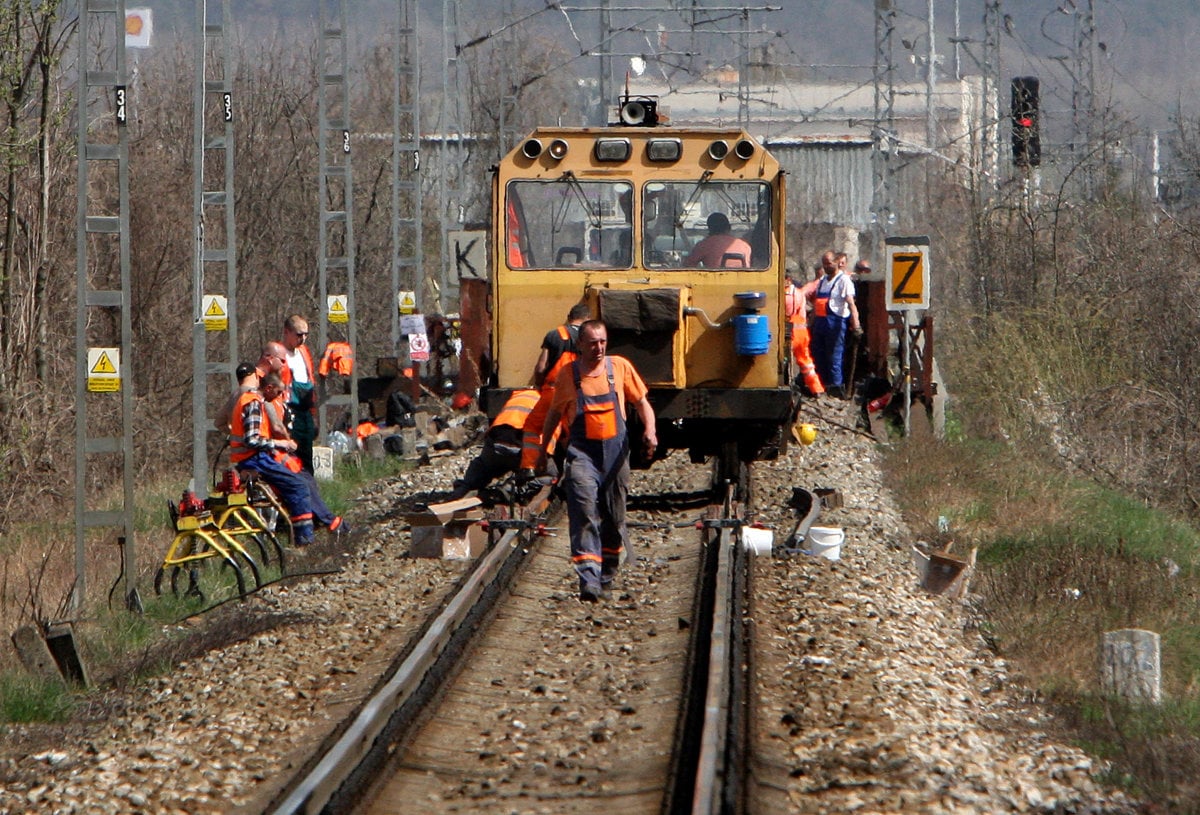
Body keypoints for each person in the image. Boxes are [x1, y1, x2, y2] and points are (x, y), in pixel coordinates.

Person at [538, 320, 657, 602]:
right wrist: (544, 450)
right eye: (592, 343)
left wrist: (650, 431)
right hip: (582, 454)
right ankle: (588, 578)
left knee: (614, 516)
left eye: (602, 342)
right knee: (583, 510)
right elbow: (554, 414)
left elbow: (642, 403)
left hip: (616, 455)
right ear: (580, 345)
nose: (599, 348)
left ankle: (607, 573)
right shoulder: (569, 375)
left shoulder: (620, 368)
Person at [230, 371, 347, 545]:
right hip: (253, 459)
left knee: (301, 476)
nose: (280, 396)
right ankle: (304, 539)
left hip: (256, 456)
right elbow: (252, 439)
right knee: (298, 486)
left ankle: (322, 523)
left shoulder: (252, 400)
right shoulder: (253, 404)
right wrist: (280, 444)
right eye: (278, 392)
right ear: (269, 388)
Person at [449, 388, 541, 499]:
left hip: (496, 437)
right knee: (547, 475)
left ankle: (465, 487)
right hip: (521, 445)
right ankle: (506, 491)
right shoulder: (550, 400)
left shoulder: (522, 394)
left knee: (485, 465)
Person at [809, 250, 861, 399]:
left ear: (837, 262)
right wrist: (809, 326)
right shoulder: (822, 282)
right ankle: (822, 385)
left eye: (829, 263)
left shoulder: (843, 281)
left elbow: (851, 304)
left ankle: (836, 388)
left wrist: (856, 326)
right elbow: (815, 306)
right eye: (824, 263)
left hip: (835, 324)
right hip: (820, 324)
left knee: (834, 357)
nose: (826, 266)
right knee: (819, 355)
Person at [280, 314, 319, 473]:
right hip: (288, 412)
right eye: (299, 334)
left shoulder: (303, 352)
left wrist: (313, 414)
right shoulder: (278, 354)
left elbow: (310, 380)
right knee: (292, 457)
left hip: (305, 411)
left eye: (305, 334)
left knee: (307, 455)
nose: (303, 338)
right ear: (287, 332)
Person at [784, 261, 824, 398]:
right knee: (806, 363)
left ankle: (787, 386)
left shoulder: (784, 295)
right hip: (802, 332)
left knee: (785, 361)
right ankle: (817, 389)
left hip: (789, 332)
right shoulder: (799, 292)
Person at [533, 302, 589, 388]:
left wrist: (539, 386)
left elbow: (540, 369)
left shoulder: (553, 334)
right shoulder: (590, 336)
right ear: (588, 319)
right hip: (580, 392)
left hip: (553, 391)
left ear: (568, 317)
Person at [683, 212, 753, 268]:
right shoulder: (745, 246)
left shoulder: (704, 245)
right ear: (729, 228)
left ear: (710, 229)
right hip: (741, 284)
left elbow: (687, 267)